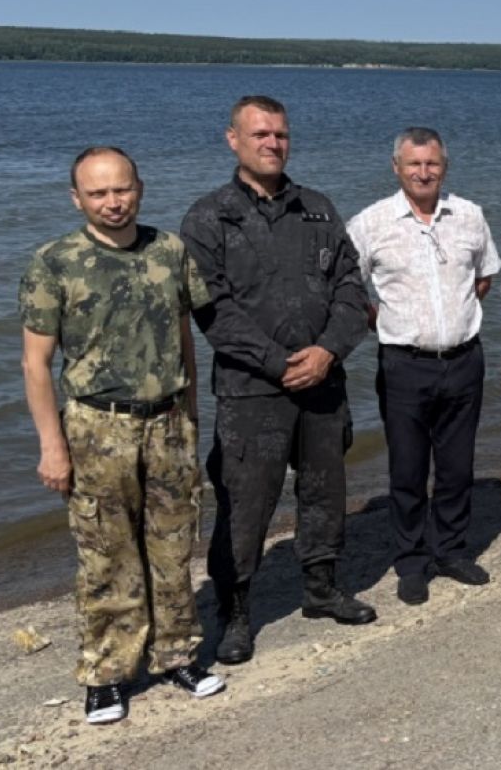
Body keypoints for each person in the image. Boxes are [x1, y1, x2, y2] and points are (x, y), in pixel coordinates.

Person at [19, 147, 225, 726]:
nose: (112, 202)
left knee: (173, 547)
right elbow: (36, 364)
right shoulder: (54, 262)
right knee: (106, 555)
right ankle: (108, 674)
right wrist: (51, 446)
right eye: (98, 193)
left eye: (121, 189)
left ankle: (177, 654)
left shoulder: (169, 251)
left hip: (168, 422)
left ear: (139, 189)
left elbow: (183, 337)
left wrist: (190, 415)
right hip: (96, 426)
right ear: (77, 199)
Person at [180, 96, 374, 667]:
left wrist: (328, 350)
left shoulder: (318, 209)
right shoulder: (209, 218)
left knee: (324, 491)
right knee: (244, 503)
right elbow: (211, 309)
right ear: (233, 139)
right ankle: (236, 610)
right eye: (260, 134)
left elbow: (351, 289)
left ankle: (321, 588)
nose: (272, 143)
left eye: (280, 134)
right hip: (251, 392)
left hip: (322, 382)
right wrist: (277, 362)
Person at [347, 127, 501, 605]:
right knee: (408, 470)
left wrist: (454, 319)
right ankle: (411, 562)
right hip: (403, 365)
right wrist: (381, 320)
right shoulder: (371, 223)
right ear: (396, 168)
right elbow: (346, 285)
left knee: (456, 468)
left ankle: (451, 551)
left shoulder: (469, 215)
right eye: (413, 164)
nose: (423, 172)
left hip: (463, 361)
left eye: (432, 163)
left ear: (444, 167)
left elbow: (485, 277)